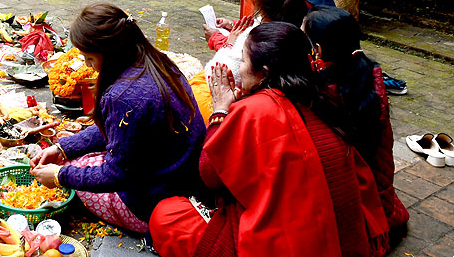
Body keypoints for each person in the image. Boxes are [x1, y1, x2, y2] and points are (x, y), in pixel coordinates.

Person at [149, 22, 390, 257]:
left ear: (264, 72)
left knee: (166, 216)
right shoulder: (326, 96)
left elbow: (210, 175)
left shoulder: (254, 110)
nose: (239, 67)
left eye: (242, 60)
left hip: (282, 242)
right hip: (348, 242)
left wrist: (221, 110)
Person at [29, 3, 206, 233]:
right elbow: (120, 128)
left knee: (73, 167)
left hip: (155, 204)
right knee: (71, 156)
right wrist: (63, 147)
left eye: (90, 59)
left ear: (110, 55)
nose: (87, 65)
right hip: (182, 180)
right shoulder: (158, 62)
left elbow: (115, 175)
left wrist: (59, 174)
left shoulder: (123, 96)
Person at [304, 6, 409, 241]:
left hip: (360, 212)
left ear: (317, 50)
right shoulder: (366, 75)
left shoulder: (324, 95)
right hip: (380, 198)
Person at [192, 0, 310, 123]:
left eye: (244, 61)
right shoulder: (299, 29)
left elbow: (218, 71)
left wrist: (225, 43)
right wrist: (232, 27)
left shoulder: (259, 40)